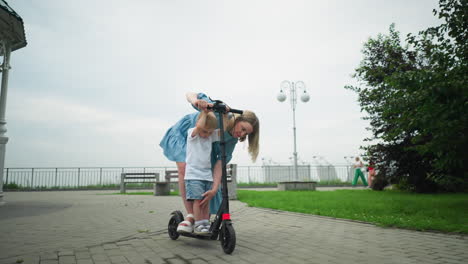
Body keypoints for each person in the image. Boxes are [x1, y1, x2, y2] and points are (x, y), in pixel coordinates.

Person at [159, 92, 260, 233]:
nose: (242, 134)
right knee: (185, 168)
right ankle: (190, 217)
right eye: (242, 129)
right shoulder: (218, 112)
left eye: (246, 133)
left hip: (204, 149)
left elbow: (220, 163)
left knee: (206, 181)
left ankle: (201, 218)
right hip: (187, 135)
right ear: (237, 120)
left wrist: (214, 187)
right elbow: (190, 94)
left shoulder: (232, 139)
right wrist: (197, 101)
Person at [182, 111, 220, 235]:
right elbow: (199, 127)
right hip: (193, 175)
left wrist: (224, 115)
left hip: (206, 175)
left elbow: (221, 131)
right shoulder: (192, 134)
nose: (207, 135)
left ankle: (205, 222)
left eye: (210, 132)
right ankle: (198, 224)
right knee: (197, 201)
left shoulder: (210, 135)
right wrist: (204, 111)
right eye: (205, 131)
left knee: (205, 202)